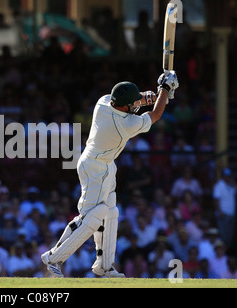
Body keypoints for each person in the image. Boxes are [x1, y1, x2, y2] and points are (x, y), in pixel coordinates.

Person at [41, 71, 179, 278]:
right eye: (132, 104)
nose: (135, 105)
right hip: (95, 167)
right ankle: (53, 257)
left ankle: (104, 267)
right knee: (91, 217)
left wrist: (157, 94)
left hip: (104, 165)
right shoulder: (125, 125)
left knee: (110, 212)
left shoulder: (104, 102)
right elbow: (155, 115)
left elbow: (135, 101)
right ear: (125, 106)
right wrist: (165, 91)